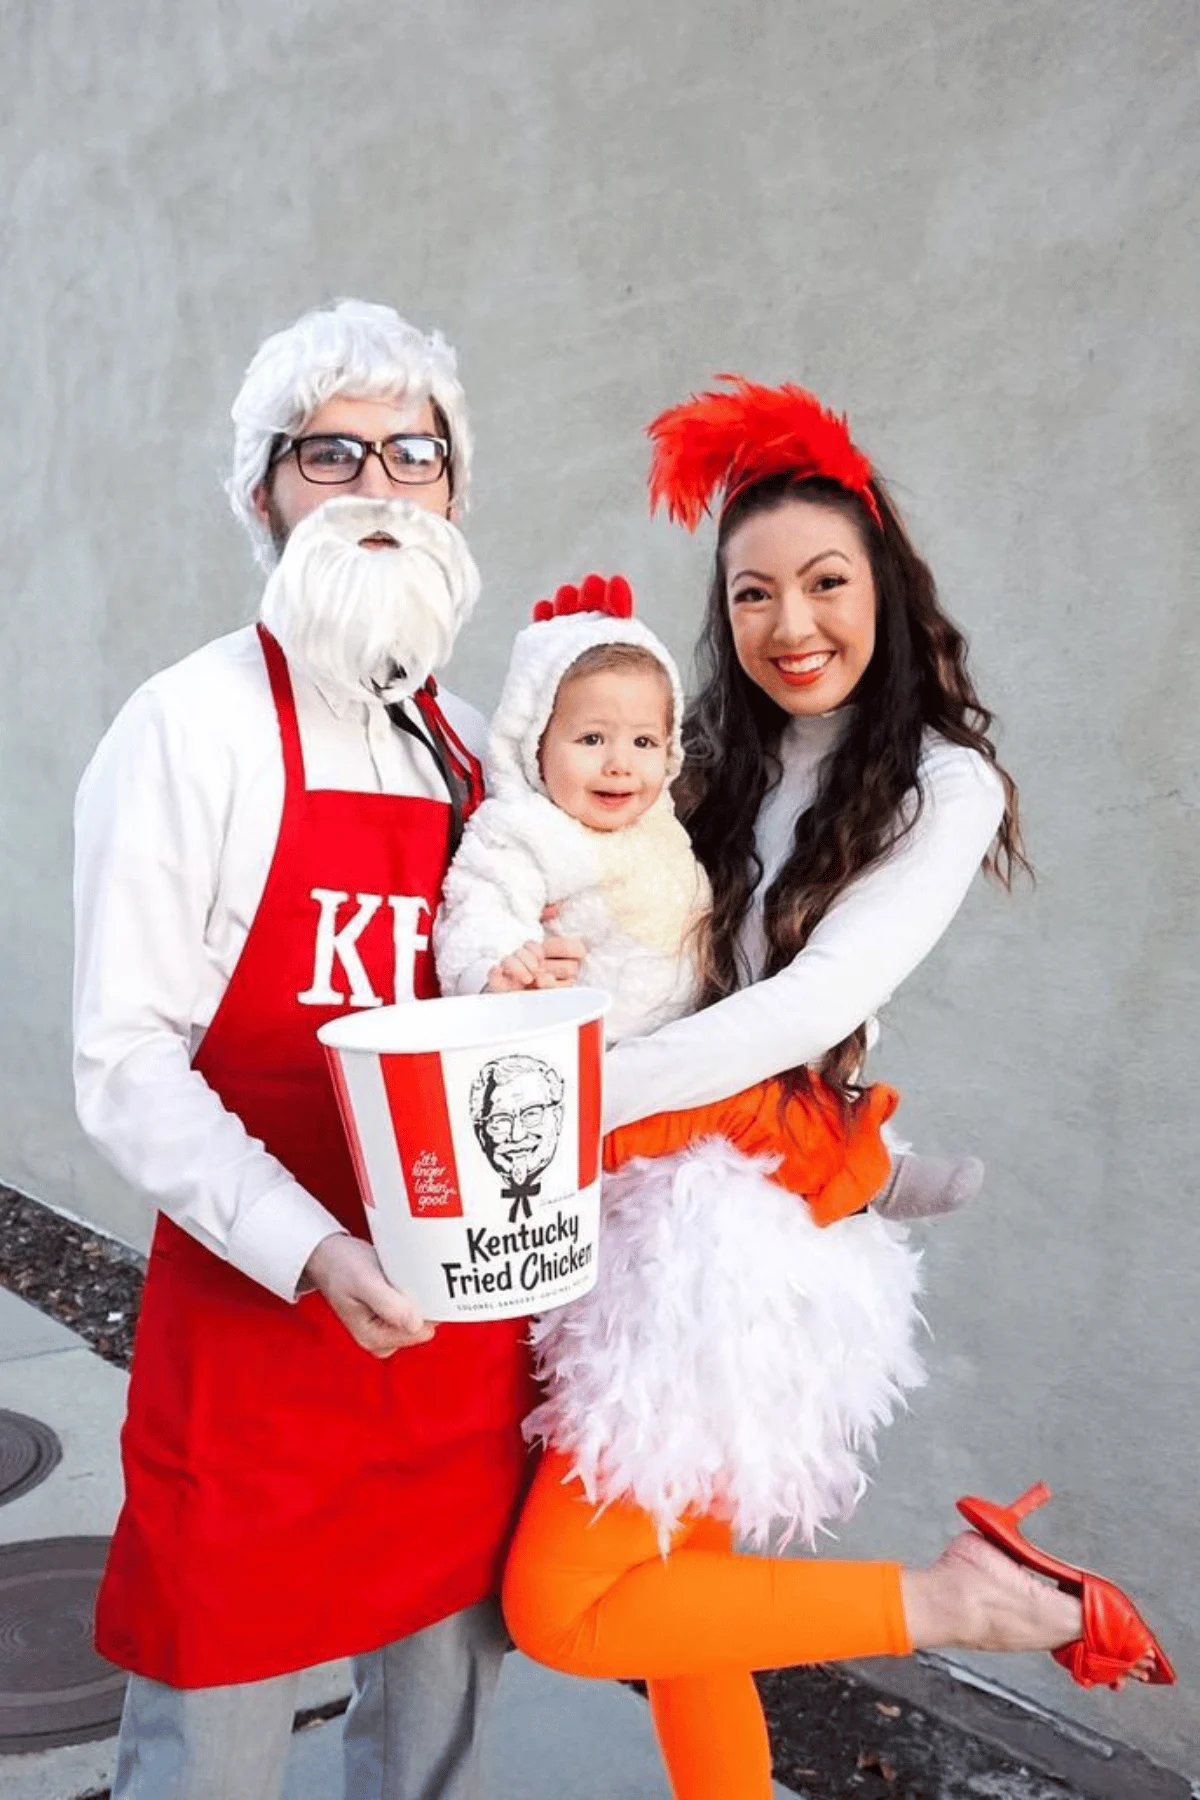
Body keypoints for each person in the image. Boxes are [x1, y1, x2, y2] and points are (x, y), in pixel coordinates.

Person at [499, 378, 1173, 1800]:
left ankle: (964, 1603)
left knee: (562, 1606)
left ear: (886, 582)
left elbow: (808, 1005)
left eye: (822, 583)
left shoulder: (942, 783)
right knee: (692, 1606)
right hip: (650, 1186)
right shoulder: (705, 757)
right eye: (751, 597)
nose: (790, 626)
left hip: (731, 1229)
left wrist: (572, 1095)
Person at [72, 299, 583, 1800]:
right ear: (264, 493)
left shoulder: (486, 746)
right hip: (258, 1326)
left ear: (454, 493)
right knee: (210, 1746)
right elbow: (124, 1060)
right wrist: (307, 1249)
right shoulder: (188, 727)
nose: (375, 485)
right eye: (330, 452)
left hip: (458, 1347)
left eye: (412, 453)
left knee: (440, 1739)